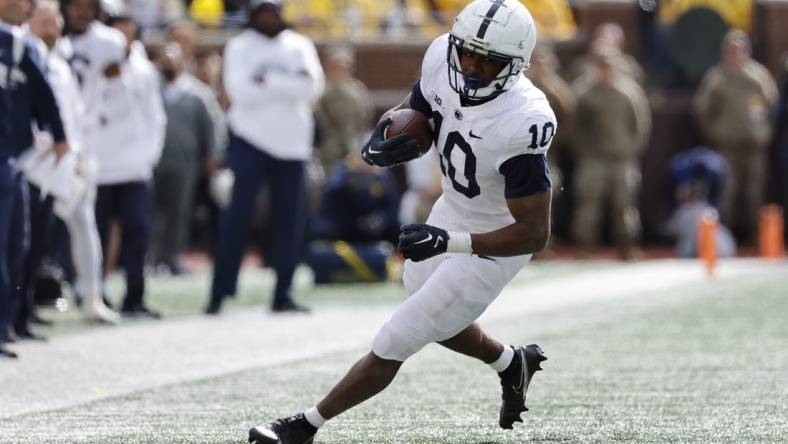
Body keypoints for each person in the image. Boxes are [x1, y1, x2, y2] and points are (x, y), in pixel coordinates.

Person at [249, 1, 553, 442]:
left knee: (400, 334)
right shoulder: (438, 56)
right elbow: (419, 109)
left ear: (516, 66)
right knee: (430, 308)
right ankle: (511, 362)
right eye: (467, 53)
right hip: (452, 208)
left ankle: (304, 427)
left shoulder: (524, 120)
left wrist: (452, 242)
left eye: (489, 63)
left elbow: (534, 233)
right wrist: (389, 133)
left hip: (494, 239)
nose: (471, 68)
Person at [207, 0, 324, 315]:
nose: (268, 17)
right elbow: (239, 92)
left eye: (273, 11)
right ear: (252, 14)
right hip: (250, 141)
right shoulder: (239, 46)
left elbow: (314, 87)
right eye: (262, 12)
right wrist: (289, 85)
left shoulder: (299, 44)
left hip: (293, 146)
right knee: (237, 217)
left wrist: (267, 81)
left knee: (290, 221)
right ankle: (219, 293)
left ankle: (282, 294)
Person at [27, 0, 118, 323]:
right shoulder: (28, 54)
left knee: (83, 226)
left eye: (55, 22)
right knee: (30, 234)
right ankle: (23, 303)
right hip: (36, 159)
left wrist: (78, 153)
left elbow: (75, 115)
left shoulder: (64, 63)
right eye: (45, 21)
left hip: (72, 155)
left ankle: (91, 295)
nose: (54, 27)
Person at [0, 11, 68, 356]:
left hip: (8, 158)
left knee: (14, 243)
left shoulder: (12, 42)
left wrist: (58, 134)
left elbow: (43, 92)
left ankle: (6, 323)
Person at [694, 30, 778, 240]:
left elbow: (773, 109)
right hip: (726, 146)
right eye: (731, 50)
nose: (735, 54)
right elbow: (702, 109)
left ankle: (754, 237)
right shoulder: (716, 78)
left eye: (740, 50)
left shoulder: (759, 77)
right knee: (727, 192)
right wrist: (715, 133)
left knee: (754, 193)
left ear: (747, 51)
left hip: (754, 146)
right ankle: (725, 237)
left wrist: (765, 135)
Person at [570, 49, 651, 259]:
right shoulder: (584, 93)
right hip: (593, 158)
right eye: (601, 66)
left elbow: (641, 125)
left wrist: (632, 150)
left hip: (622, 159)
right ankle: (585, 245)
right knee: (588, 204)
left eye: (609, 65)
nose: (605, 70)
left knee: (624, 205)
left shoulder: (629, 92)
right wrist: (582, 150)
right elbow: (575, 126)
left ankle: (628, 245)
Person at [151, 42, 218, 275]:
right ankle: (151, 258)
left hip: (184, 162)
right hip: (152, 160)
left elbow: (212, 128)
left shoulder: (197, 93)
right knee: (150, 212)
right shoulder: (151, 89)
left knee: (179, 212)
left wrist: (212, 156)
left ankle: (172, 258)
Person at [314, 44, 373, 175]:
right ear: (328, 66)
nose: (341, 71)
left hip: (356, 152)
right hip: (327, 155)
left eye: (346, 66)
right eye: (337, 66)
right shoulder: (318, 88)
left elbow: (365, 122)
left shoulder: (358, 90)